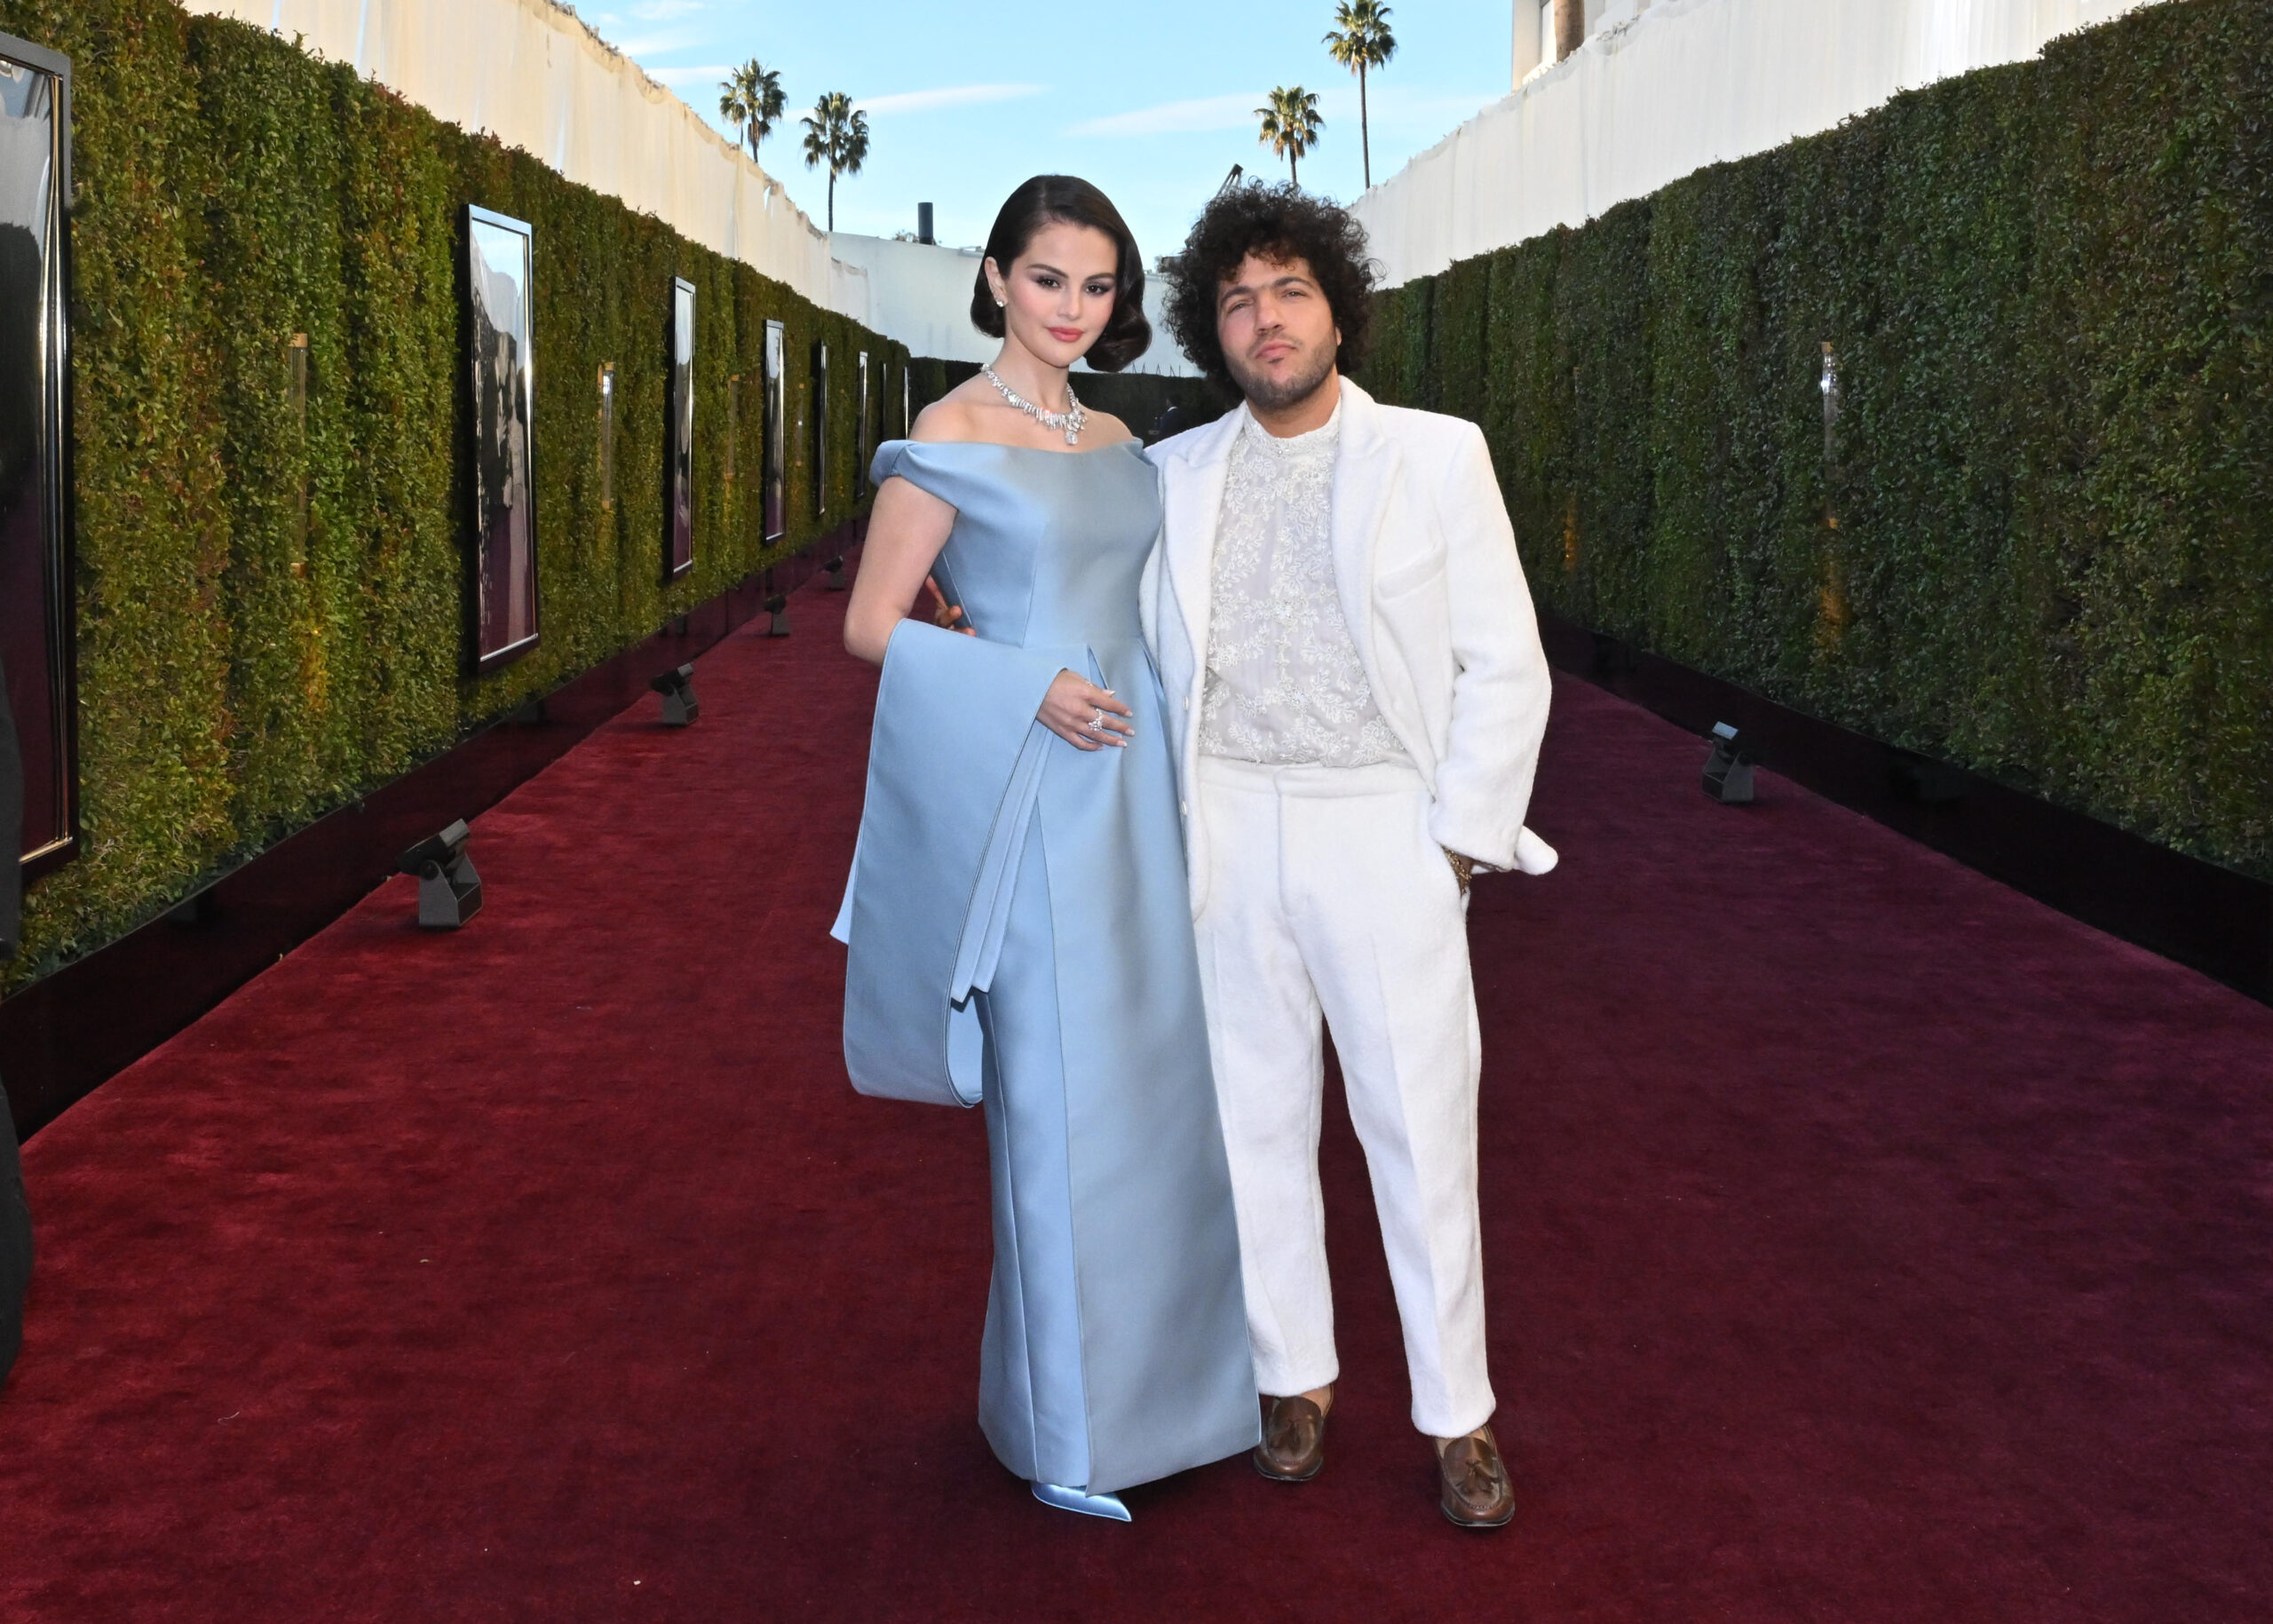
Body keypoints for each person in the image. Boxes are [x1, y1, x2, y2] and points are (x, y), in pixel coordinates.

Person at [832, 175, 1257, 1522]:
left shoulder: (1125, 437)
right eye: (1048, 279)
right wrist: (1025, 684)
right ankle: (1067, 1429)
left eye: (1099, 285)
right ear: (998, 277)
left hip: (1136, 796)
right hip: (1034, 795)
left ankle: (1180, 1402)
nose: (1074, 308)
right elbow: (869, 624)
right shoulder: (947, 436)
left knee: (1155, 1097)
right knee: (1055, 1108)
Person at [1142, 183, 1557, 1528]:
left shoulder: (1438, 456)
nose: (1266, 321)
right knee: (1252, 1121)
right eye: (1238, 301)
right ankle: (1292, 1377)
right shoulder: (1174, 472)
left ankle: (1460, 1413)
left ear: (1338, 306)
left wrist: (1452, 849)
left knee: (1419, 1131)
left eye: (1290, 292)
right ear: (1216, 330)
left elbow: (1506, 664)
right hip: (1224, 821)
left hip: (1383, 824)